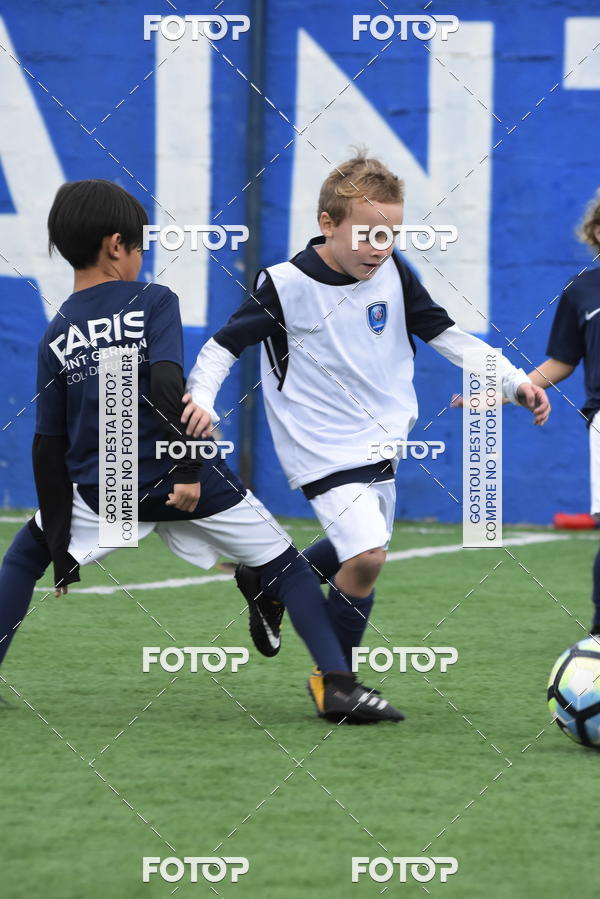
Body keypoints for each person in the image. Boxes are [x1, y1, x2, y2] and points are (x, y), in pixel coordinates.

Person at [0, 178, 403, 724]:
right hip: (188, 482)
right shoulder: (153, 301)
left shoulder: (56, 332)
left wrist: (60, 542)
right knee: (289, 570)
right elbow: (171, 388)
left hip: (106, 485)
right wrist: (187, 469)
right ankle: (336, 686)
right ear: (117, 246)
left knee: (23, 558)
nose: (143, 256)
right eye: (141, 245)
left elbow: (48, 445)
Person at [181, 150, 550, 708]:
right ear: (327, 224)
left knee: (360, 548)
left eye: (392, 234)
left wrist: (514, 383)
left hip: (382, 442)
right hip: (318, 445)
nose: (381, 247)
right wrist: (202, 401)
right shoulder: (285, 285)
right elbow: (220, 347)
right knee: (368, 556)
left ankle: (270, 582)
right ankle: (336, 684)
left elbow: (447, 335)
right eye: (368, 233)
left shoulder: (397, 273)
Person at [524, 189, 600, 634]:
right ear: (595, 232)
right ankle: (598, 634)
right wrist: (509, 389)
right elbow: (561, 362)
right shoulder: (581, 290)